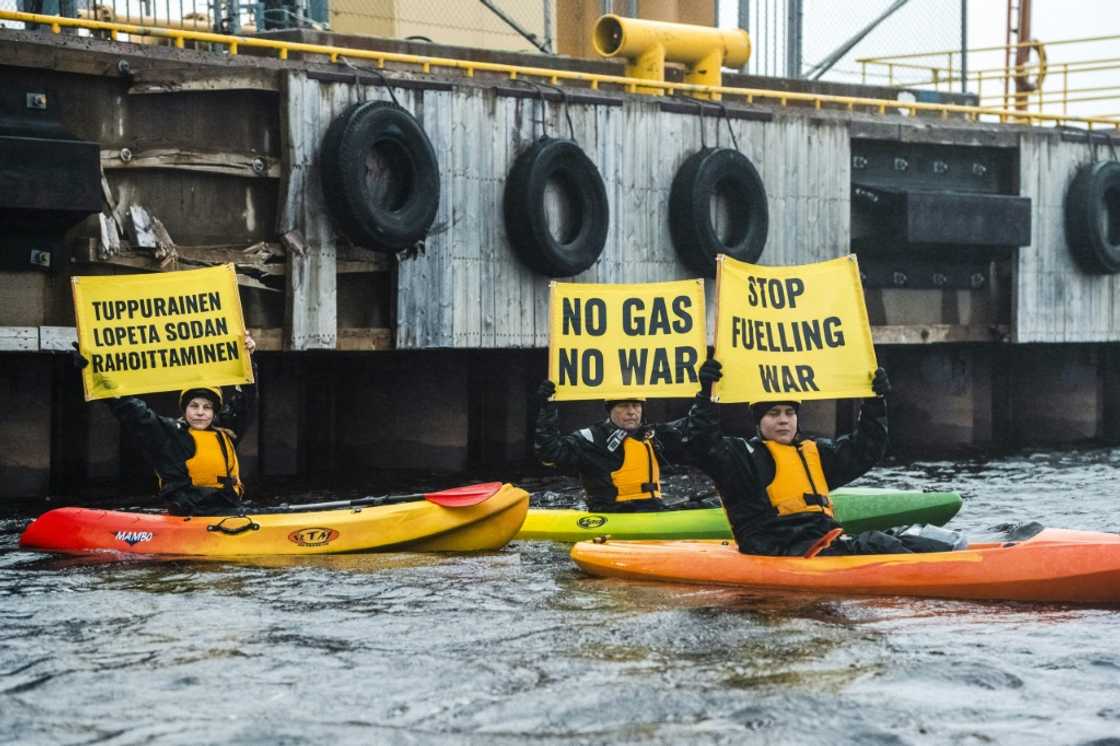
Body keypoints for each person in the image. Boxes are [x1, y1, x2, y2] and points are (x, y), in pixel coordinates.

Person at [687, 358, 931, 556]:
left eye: (789, 413)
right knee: (877, 543)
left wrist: (874, 402)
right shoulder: (741, 459)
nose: (783, 419)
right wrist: (706, 395)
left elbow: (866, 449)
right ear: (759, 422)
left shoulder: (815, 454)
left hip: (823, 542)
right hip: (778, 548)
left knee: (917, 536)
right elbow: (702, 443)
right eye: (773, 413)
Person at [73, 333, 257, 516]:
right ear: (184, 410)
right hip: (187, 513)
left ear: (214, 412)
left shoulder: (226, 430)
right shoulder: (168, 434)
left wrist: (248, 358)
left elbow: (247, 401)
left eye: (207, 407)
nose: (200, 412)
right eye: (194, 406)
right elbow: (131, 410)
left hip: (228, 510)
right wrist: (95, 372)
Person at [533, 380, 704, 513]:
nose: (631, 412)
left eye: (636, 406)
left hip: (652, 510)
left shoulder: (653, 435)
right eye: (623, 406)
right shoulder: (591, 438)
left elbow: (696, 428)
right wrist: (547, 408)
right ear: (610, 410)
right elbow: (549, 453)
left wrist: (705, 393)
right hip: (613, 513)